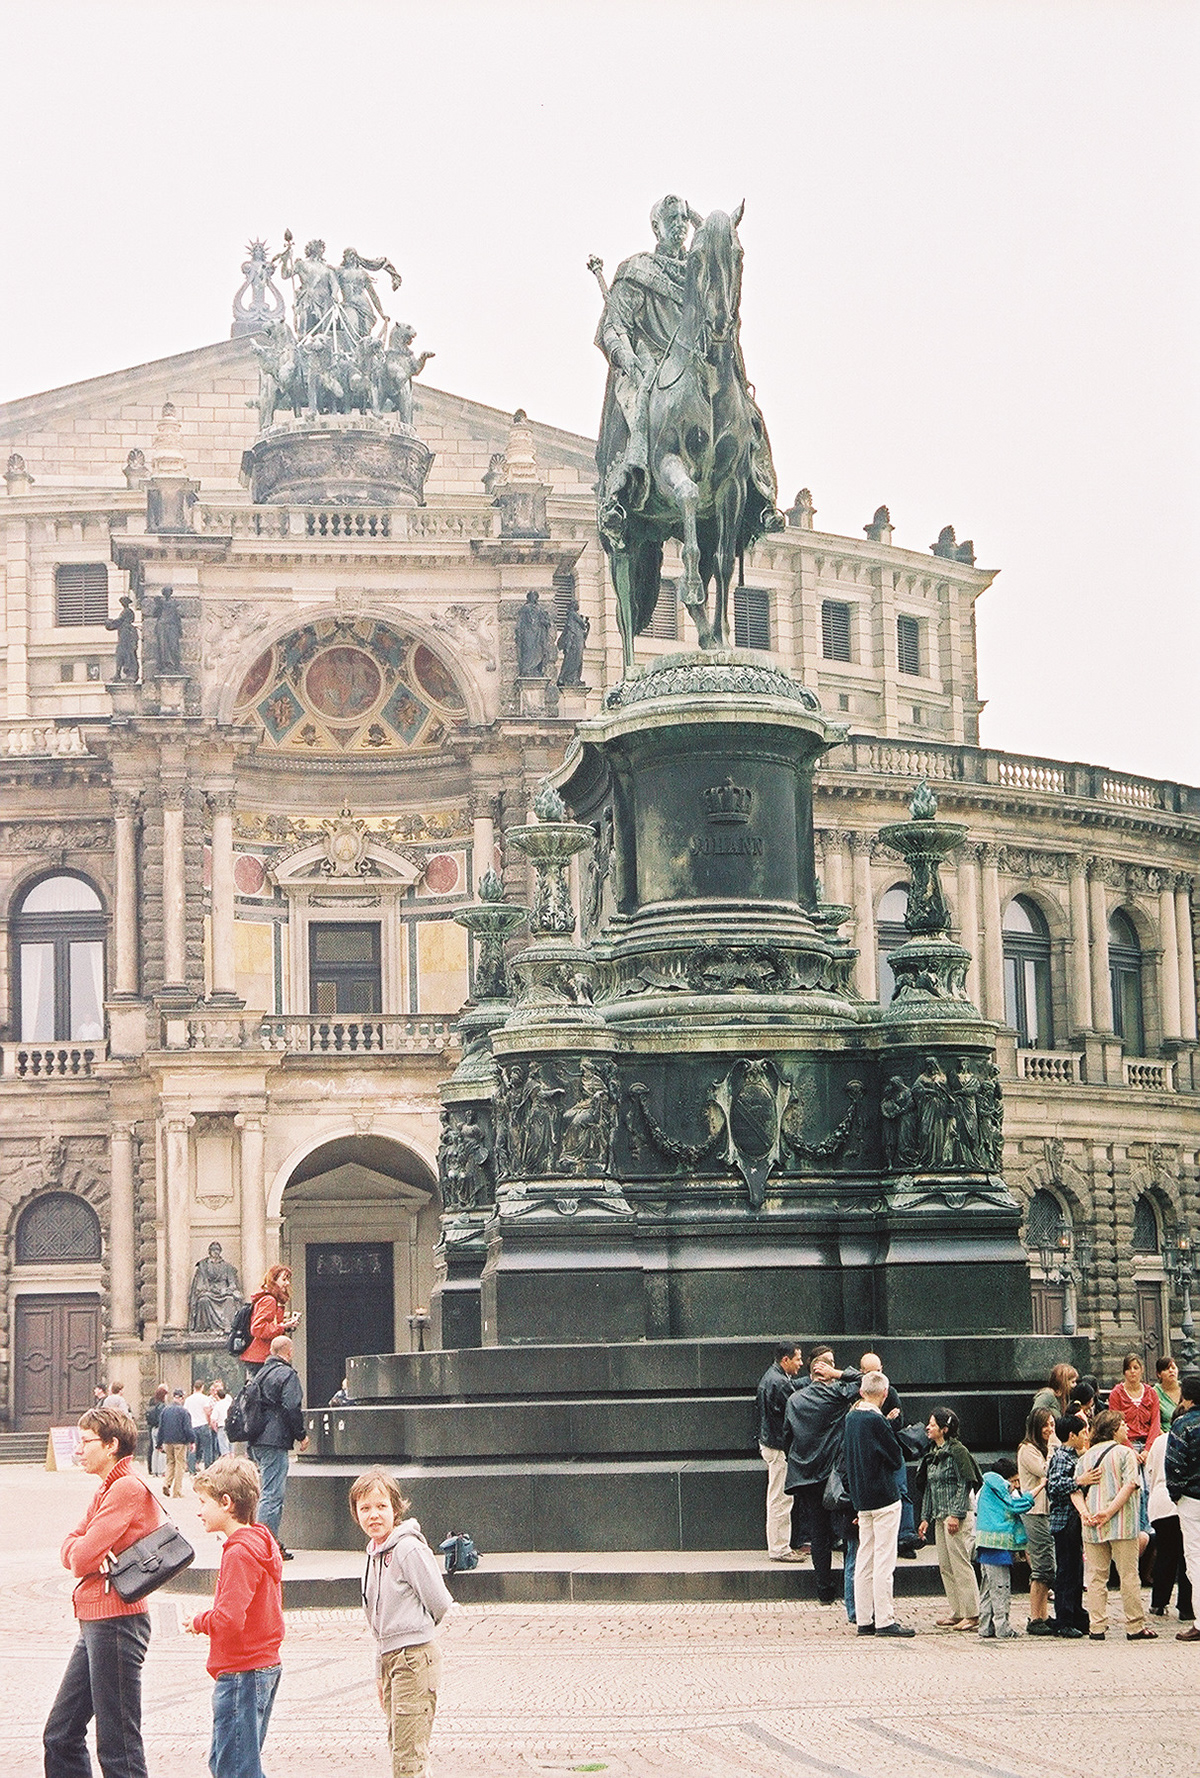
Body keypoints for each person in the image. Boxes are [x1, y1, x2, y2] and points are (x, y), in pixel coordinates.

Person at [43, 1408, 158, 1778]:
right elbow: (72, 1547)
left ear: (111, 1446)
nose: (80, 1448)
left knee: (118, 1747)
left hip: (117, 1621)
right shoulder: (106, 1487)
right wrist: (84, 1552)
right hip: (96, 1619)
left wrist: (84, 1553)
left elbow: (79, 1558)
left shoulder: (126, 1487)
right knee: (60, 1734)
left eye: (87, 1441)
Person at [183, 1457, 284, 1778]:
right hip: (260, 1666)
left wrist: (200, 1622)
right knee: (229, 1763)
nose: (199, 1511)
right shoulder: (260, 1540)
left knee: (235, 1769)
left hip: (242, 1670)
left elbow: (228, 1619)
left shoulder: (239, 1553)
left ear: (226, 1503)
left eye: (203, 1502)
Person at [351, 1467, 454, 1778]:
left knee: (408, 1756)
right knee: (402, 1746)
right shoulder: (373, 1555)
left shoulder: (408, 1548)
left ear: (395, 1508)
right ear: (356, 1513)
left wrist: (415, 1632)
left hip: (413, 1659)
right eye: (365, 1508)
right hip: (391, 1661)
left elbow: (439, 1601)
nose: (373, 1515)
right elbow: (377, 1624)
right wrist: (379, 1673)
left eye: (381, 1506)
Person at [783, 1349, 862, 1604]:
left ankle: (824, 1590)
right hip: (832, 1474)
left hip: (806, 1475)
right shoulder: (836, 1393)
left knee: (818, 1533)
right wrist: (838, 1373)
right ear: (826, 1371)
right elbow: (869, 1382)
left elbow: (787, 1437)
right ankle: (852, 1589)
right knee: (849, 1528)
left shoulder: (794, 1400)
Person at [842, 1372, 914, 1637]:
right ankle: (884, 1619)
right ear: (884, 1394)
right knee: (884, 1561)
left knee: (864, 1559)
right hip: (884, 1497)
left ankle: (864, 1619)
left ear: (862, 1392)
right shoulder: (876, 1420)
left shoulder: (850, 1418)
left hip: (862, 1498)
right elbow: (895, 1458)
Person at [1073, 1407, 1155, 1640]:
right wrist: (1109, 1512)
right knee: (1129, 1575)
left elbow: (1075, 1489)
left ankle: (1097, 1626)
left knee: (1096, 1578)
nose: (1127, 1428)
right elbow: (1130, 1485)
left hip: (1092, 1524)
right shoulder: (1125, 1453)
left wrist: (1086, 1514)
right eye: (1123, 1425)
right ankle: (1134, 1625)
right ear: (1113, 1429)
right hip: (1122, 1523)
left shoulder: (1085, 1456)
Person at [917, 1407, 982, 1631]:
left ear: (944, 1429)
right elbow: (930, 1488)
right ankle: (958, 1611)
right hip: (940, 1516)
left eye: (933, 1424)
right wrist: (926, 1516)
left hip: (957, 1517)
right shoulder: (933, 1454)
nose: (928, 1427)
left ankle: (972, 1613)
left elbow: (964, 1484)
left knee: (960, 1563)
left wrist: (955, 1513)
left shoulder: (957, 1452)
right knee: (946, 1565)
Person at [249, 1336, 309, 1558]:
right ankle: (264, 1545)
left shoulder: (260, 1374)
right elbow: (292, 1406)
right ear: (289, 1352)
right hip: (274, 1439)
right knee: (272, 1495)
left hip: (257, 1438)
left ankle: (269, 1540)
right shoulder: (287, 1374)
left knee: (268, 1492)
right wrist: (300, 1435)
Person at [859, 1350, 921, 1558]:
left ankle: (906, 1536)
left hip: (891, 1449)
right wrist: (885, 1420)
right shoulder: (860, 1395)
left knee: (901, 1490)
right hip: (873, 1454)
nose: (877, 1375)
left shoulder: (890, 1392)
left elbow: (898, 1422)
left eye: (878, 1371)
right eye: (871, 1372)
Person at [974, 1458, 1038, 1640]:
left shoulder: (986, 1488)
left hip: (986, 1545)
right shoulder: (1000, 1490)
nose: (1016, 1485)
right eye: (1014, 1480)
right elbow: (1016, 1506)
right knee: (1001, 1587)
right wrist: (1035, 1491)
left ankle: (985, 1627)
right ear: (1005, 1479)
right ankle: (1003, 1628)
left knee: (987, 1589)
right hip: (998, 1546)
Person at [756, 1343, 804, 1561]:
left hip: (771, 1444)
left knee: (777, 1498)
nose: (801, 1363)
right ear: (786, 1360)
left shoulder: (772, 1378)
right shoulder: (779, 1383)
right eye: (798, 1359)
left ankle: (779, 1546)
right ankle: (780, 1549)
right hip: (778, 1448)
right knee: (781, 1500)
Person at [1046, 1413, 1091, 1637]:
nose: (1085, 1436)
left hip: (1072, 1521)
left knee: (1076, 1569)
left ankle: (1076, 1614)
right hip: (1063, 1520)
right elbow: (1054, 1486)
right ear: (1071, 1435)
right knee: (1066, 1571)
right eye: (1082, 1432)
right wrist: (1078, 1481)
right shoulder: (1062, 1456)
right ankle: (1064, 1619)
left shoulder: (1074, 1455)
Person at [1164, 1370, 1200, 1641]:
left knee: (1196, 1560)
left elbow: (1174, 1464)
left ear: (1186, 1397)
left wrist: (1175, 1494)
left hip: (1191, 1499)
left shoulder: (1183, 1425)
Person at [1145, 1424, 1193, 1624]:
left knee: (1165, 1554)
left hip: (1159, 1502)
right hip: (1183, 1500)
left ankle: (1158, 1602)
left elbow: (1150, 1471)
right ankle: (1186, 1607)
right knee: (1186, 1557)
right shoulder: (1190, 1437)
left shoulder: (1158, 1441)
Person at [1017, 1407, 1057, 1634]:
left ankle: (1042, 1615)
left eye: (1052, 1424)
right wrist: (1052, 1447)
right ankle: (1035, 1617)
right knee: (1041, 1565)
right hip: (1035, 1512)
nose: (1050, 1430)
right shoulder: (1027, 1450)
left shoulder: (1041, 1448)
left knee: (1047, 1566)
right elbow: (1046, 1471)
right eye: (1046, 1425)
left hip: (1047, 1511)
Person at [242, 1266, 300, 1373]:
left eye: (288, 1279)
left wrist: (285, 1324)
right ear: (274, 1280)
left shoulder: (269, 1299)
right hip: (262, 1357)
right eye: (284, 1279)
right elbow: (257, 1328)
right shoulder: (269, 1300)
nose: (287, 1283)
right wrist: (283, 1326)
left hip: (260, 1357)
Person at [157, 1388, 195, 1498]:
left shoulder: (165, 1410)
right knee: (180, 1464)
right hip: (180, 1442)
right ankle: (177, 1491)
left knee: (170, 1463)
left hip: (167, 1441)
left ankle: (166, 1483)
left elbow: (161, 1428)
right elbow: (187, 1428)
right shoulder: (184, 1412)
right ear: (182, 1398)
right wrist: (192, 1440)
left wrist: (159, 1443)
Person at [185, 1378, 215, 1473]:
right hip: (203, 1424)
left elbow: (186, 1413)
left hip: (192, 1425)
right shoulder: (205, 1399)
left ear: (194, 1387)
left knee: (193, 1448)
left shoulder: (188, 1400)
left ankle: (191, 1470)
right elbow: (207, 1412)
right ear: (202, 1387)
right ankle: (208, 1468)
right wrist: (209, 1422)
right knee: (207, 1448)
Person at [144, 1384, 168, 1476]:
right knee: (162, 1450)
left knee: (155, 1450)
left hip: (153, 1429)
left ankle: (154, 1471)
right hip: (160, 1429)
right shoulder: (163, 1406)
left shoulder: (154, 1404)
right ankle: (162, 1471)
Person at [1155, 1355, 1183, 1430]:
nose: (1171, 1371)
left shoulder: (1186, 1389)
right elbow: (1154, 1423)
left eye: (1173, 1368)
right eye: (1166, 1369)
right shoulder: (1154, 1393)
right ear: (1159, 1374)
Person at [209, 1380, 232, 1458]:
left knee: (224, 1448)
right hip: (229, 1426)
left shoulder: (218, 1405)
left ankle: (225, 1464)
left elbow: (213, 1419)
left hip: (221, 1426)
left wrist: (215, 1428)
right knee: (230, 1448)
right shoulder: (229, 1404)